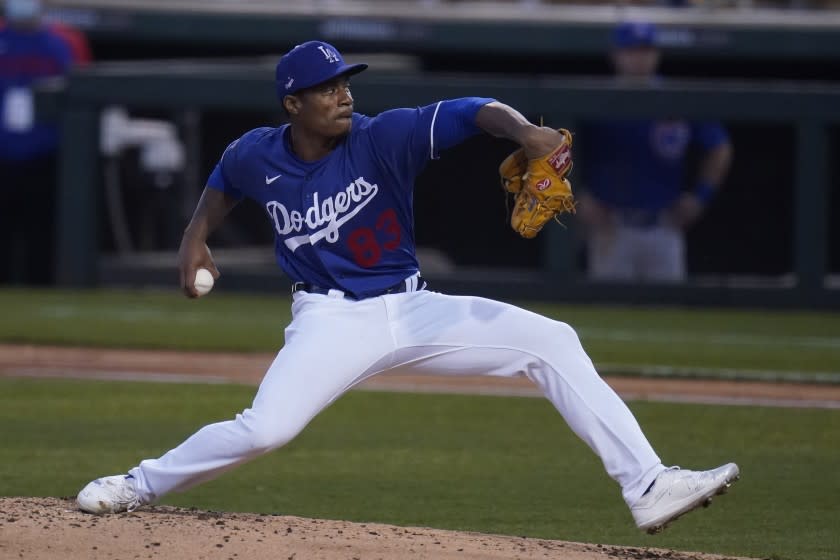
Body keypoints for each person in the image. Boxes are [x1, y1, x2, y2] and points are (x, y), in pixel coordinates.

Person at [76, 40, 739, 534]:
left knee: (552, 340)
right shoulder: (255, 154)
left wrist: (525, 131)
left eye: (345, 82)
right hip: (329, 322)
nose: (344, 94)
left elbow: (475, 110)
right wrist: (195, 242)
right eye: (327, 87)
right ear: (293, 104)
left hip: (416, 308)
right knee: (265, 430)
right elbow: (219, 190)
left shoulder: (384, 136)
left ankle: (648, 483)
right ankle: (137, 482)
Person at [577, 21, 734, 283]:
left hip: (664, 225)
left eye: (646, 50)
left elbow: (720, 148)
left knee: (669, 311)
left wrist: (700, 197)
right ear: (615, 54)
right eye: (632, 50)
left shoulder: (676, 98)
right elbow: (556, 151)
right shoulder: (596, 98)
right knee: (610, 309)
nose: (640, 58)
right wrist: (579, 198)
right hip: (611, 226)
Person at [0, 0, 87, 284]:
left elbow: (84, 91)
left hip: (46, 155)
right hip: (3, 155)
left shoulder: (64, 41)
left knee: (42, 238)